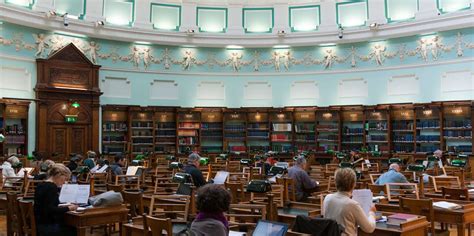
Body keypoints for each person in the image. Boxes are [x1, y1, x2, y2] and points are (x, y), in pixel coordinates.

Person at [323, 168, 376, 235]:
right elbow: (369, 228)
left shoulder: (327, 198)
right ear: (353, 184)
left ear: (335, 182)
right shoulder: (352, 204)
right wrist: (372, 213)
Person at [34, 163, 78, 236]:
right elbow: (50, 210)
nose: (64, 182)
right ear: (59, 175)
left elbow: (47, 205)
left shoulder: (41, 184)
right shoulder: (52, 187)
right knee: (73, 229)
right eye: (65, 178)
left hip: (39, 224)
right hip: (47, 227)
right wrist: (69, 208)